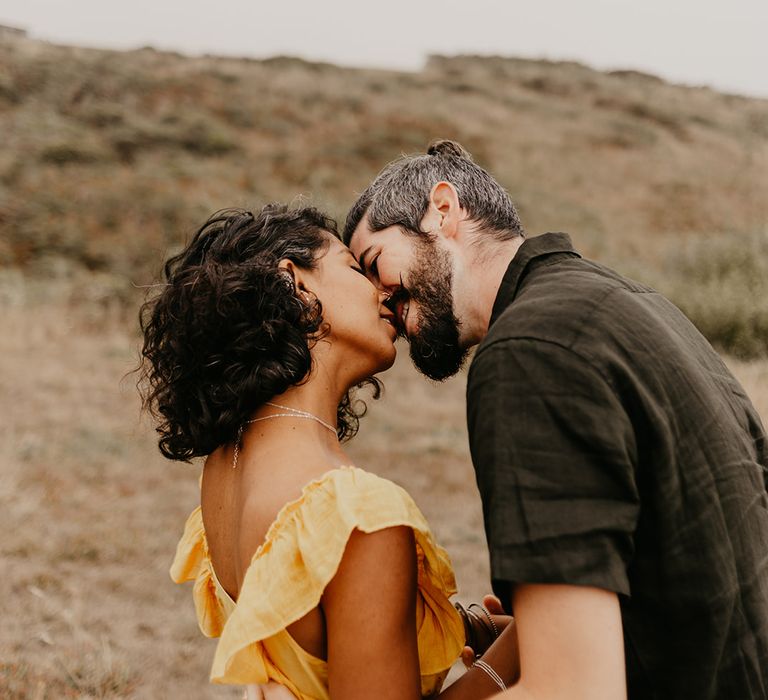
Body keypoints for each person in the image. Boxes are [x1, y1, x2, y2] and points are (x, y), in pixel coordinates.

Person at [343, 140, 768, 699]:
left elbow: (574, 691)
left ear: (442, 210)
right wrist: (527, 635)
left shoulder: (529, 349)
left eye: (375, 263)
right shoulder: (639, 306)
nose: (379, 301)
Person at [138, 204, 519, 700]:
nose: (385, 290)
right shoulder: (352, 513)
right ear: (296, 284)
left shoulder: (227, 469)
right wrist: (513, 656)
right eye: (354, 267)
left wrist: (463, 632)